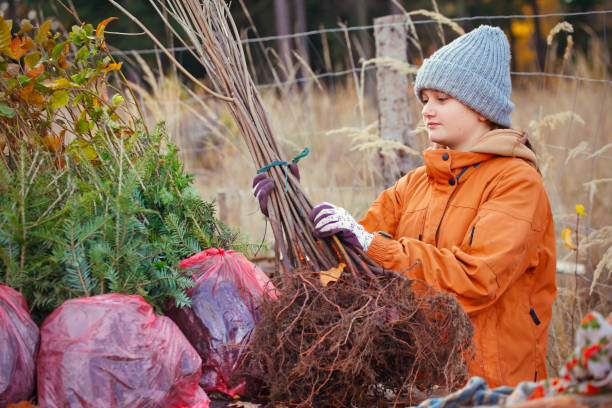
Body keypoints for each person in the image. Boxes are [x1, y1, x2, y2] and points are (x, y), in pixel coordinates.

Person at [253, 25, 557, 388]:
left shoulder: (517, 183)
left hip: (493, 388)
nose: (427, 110)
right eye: (424, 99)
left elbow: (476, 281)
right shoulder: (415, 184)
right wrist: (291, 216)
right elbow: (347, 269)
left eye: (442, 99)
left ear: (480, 109)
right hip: (417, 385)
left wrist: (371, 245)